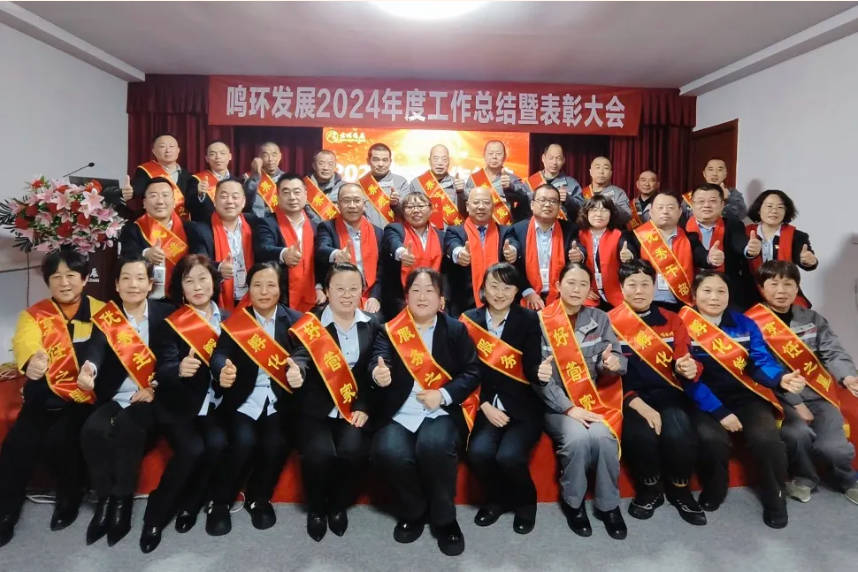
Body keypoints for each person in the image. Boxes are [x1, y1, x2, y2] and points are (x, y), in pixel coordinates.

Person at [681, 270, 806, 528]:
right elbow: (687, 379)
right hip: (704, 399)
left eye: (721, 291)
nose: (714, 297)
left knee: (766, 439)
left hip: (745, 395)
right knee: (712, 439)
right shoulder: (682, 325)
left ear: (729, 295)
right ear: (694, 295)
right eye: (707, 291)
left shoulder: (744, 323)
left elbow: (759, 362)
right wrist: (720, 412)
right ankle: (716, 487)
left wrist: (780, 378)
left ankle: (775, 497)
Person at [370, 268, 481, 556]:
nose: (422, 297)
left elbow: (472, 372)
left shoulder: (455, 330)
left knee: (434, 446)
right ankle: (415, 509)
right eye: (416, 291)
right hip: (400, 411)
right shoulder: (389, 330)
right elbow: (378, 361)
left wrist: (443, 395)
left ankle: (445, 520)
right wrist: (378, 375)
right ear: (406, 297)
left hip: (439, 410)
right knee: (388, 451)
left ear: (441, 299)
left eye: (429, 291)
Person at [0, 249, 104, 547]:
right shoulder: (34, 314)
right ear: (48, 281)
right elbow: (25, 341)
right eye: (56, 277)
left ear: (85, 279)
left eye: (71, 275)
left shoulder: (102, 311)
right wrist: (32, 360)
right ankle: (6, 512)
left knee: (62, 440)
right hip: (44, 394)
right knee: (17, 445)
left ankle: (70, 498)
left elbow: (107, 350)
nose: (64, 282)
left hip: (83, 397)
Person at [77, 255, 175, 546]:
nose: (133, 284)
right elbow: (94, 350)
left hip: (150, 397)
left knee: (128, 429)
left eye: (140, 278)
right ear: (117, 285)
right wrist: (88, 369)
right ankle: (104, 499)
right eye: (126, 279)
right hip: (114, 395)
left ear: (150, 284)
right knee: (92, 431)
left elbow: (171, 360)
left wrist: (154, 387)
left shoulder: (166, 314)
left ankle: (122, 502)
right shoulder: (108, 318)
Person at [206, 261, 307, 536]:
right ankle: (220, 501)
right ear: (248, 289)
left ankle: (258, 498)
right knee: (243, 442)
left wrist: (298, 369)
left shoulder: (296, 320)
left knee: (277, 443)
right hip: (244, 398)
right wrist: (222, 369)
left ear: (280, 288)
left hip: (279, 399)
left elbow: (303, 354)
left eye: (270, 285)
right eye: (257, 285)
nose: (264, 291)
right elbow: (219, 354)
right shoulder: (236, 322)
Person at [138, 254, 228, 552]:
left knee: (217, 445)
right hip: (178, 404)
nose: (197, 287)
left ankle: (191, 503)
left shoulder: (231, 320)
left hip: (215, 404)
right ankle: (156, 515)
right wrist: (178, 370)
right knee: (192, 449)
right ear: (181, 287)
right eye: (189, 281)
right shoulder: (171, 323)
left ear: (214, 282)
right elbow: (162, 367)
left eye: (203, 279)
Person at [748, 261, 858, 504]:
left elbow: (832, 351)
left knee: (834, 446)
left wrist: (848, 376)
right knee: (797, 434)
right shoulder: (752, 322)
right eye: (773, 284)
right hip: (780, 396)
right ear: (761, 288)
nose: (781, 290)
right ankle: (804, 478)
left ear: (797, 288)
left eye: (788, 284)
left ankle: (849, 479)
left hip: (819, 392)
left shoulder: (812, 318)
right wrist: (796, 403)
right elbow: (760, 366)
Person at [534, 262, 627, 539]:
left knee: (604, 438)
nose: (576, 289)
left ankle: (609, 506)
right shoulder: (540, 321)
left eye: (583, 284)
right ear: (558, 285)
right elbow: (538, 377)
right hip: (556, 406)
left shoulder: (600, 318)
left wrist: (612, 364)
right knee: (577, 439)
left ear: (590, 289)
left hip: (592, 400)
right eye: (571, 283)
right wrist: (568, 408)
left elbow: (615, 357)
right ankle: (573, 503)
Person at [609, 260, 706, 525]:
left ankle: (680, 489)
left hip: (669, 393)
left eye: (645, 284)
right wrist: (637, 404)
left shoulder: (671, 319)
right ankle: (650, 488)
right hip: (629, 397)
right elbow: (607, 375)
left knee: (679, 429)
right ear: (622, 288)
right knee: (638, 434)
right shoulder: (610, 322)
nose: (639, 291)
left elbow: (686, 358)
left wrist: (688, 367)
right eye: (632, 285)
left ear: (654, 287)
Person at [291, 263, 382, 541]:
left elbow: (372, 369)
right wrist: (296, 371)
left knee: (353, 453)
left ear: (362, 291)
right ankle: (317, 508)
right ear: (327, 291)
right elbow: (300, 356)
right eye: (339, 288)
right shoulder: (311, 323)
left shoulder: (373, 324)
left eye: (353, 289)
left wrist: (364, 406)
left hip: (353, 407)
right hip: (316, 408)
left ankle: (338, 505)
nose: (346, 295)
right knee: (319, 455)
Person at [462, 263, 543, 534]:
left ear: (517, 291)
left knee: (509, 456)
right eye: (493, 286)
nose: (499, 293)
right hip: (484, 405)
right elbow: (464, 371)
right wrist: (485, 405)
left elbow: (531, 367)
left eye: (507, 287)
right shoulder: (469, 320)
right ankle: (497, 499)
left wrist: (541, 373)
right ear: (483, 289)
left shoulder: (528, 320)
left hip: (522, 407)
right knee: (479, 453)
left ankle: (526, 503)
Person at [627, 192, 711, 312]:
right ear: (651, 212)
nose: (665, 211)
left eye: (670, 207)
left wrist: (711, 258)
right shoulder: (636, 237)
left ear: (679, 212)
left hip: (680, 304)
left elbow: (703, 258)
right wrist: (627, 258)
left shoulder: (690, 238)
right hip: (645, 304)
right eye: (660, 207)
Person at [254, 174, 326, 312]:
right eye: (286, 192)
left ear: (306, 194)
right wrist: (284, 254)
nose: (292, 197)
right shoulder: (267, 223)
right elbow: (262, 249)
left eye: (297, 192)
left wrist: (318, 286)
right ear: (278, 196)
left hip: (313, 298)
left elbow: (318, 262)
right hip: (279, 298)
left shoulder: (315, 226)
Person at [444, 185, 519, 316]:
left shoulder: (505, 231)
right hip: (464, 304)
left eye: (486, 203)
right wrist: (460, 253)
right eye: (476, 202)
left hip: (501, 302)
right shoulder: (454, 231)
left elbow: (513, 244)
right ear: (467, 206)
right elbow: (452, 245)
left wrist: (513, 251)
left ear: (493, 207)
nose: (481, 207)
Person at [314, 183, 384, 314]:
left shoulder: (378, 233)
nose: (352, 205)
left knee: (377, 321)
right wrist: (336, 254)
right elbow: (322, 249)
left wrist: (375, 297)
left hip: (368, 297)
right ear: (338, 205)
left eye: (357, 200)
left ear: (364, 204)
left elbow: (382, 271)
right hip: (336, 296)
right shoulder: (327, 227)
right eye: (346, 201)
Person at [119, 177, 192, 299]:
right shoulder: (132, 228)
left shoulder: (190, 230)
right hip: (145, 300)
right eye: (153, 196)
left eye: (165, 195)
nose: (160, 201)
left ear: (174, 202)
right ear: (144, 203)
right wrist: (146, 254)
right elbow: (126, 256)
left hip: (180, 299)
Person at [188, 178, 254, 311]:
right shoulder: (201, 229)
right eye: (224, 196)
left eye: (235, 197)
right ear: (215, 201)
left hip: (253, 300)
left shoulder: (255, 224)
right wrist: (218, 268)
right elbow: (199, 262)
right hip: (217, 301)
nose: (230, 201)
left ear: (243, 202)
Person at [745, 189, 817, 307]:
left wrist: (809, 261)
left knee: (800, 313)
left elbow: (805, 258)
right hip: (750, 292)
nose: (774, 211)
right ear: (758, 209)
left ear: (786, 211)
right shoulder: (744, 233)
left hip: (783, 290)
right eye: (769, 206)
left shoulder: (797, 236)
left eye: (780, 207)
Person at [510, 184, 577, 311]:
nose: (547, 205)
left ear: (559, 206)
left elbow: (579, 249)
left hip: (562, 295)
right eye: (542, 200)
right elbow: (514, 267)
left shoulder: (569, 229)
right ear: (532, 205)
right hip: (525, 295)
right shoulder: (517, 229)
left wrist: (579, 255)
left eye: (553, 201)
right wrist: (527, 292)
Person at [379, 192, 446, 319]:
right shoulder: (394, 229)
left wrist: (441, 294)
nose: (415, 210)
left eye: (420, 206)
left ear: (431, 209)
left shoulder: (441, 236)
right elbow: (393, 242)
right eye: (410, 207)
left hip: (435, 298)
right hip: (401, 300)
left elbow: (445, 272)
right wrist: (402, 253)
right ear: (403, 211)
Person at [684, 183, 750, 308]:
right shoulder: (682, 229)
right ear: (692, 205)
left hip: (727, 291)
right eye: (701, 201)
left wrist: (749, 249)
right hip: (688, 290)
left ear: (722, 205)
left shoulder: (733, 225)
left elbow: (740, 242)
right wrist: (708, 258)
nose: (706, 205)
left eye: (713, 201)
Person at [572, 195, 630, 310]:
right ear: (586, 213)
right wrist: (583, 288)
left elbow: (629, 256)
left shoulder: (619, 235)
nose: (599, 214)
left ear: (611, 214)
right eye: (594, 210)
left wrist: (628, 257)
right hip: (587, 294)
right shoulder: (578, 235)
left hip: (616, 293)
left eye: (604, 210)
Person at [124, 134, 191, 219]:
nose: (168, 150)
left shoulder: (188, 176)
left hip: (181, 221)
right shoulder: (145, 171)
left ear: (178, 150)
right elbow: (137, 188)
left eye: (171, 146)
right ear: (154, 151)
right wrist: (131, 192)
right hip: (153, 221)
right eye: (162, 146)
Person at [465, 140, 532, 222]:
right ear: (484, 155)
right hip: (479, 226)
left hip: (504, 226)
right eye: (490, 153)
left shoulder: (512, 179)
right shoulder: (473, 178)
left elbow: (525, 198)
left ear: (504, 157)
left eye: (498, 154)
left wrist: (511, 187)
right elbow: (466, 204)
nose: (494, 157)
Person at [406, 144, 466, 229]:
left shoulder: (458, 184)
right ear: (429, 161)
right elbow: (408, 212)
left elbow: (466, 213)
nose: (440, 163)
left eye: (444, 159)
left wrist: (461, 193)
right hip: (424, 233)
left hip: (452, 234)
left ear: (449, 161)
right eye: (436, 158)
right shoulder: (416, 183)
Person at [524, 143, 584, 221]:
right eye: (551, 158)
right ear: (543, 158)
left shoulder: (572, 184)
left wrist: (568, 199)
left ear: (563, 160)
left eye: (558, 158)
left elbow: (583, 209)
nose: (554, 162)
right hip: (535, 226)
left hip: (562, 226)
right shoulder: (530, 182)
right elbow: (522, 209)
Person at [358, 142, 408, 228]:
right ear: (368, 161)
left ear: (390, 161)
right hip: (368, 233)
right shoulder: (359, 185)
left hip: (394, 233)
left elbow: (408, 213)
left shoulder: (401, 182)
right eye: (376, 160)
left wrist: (395, 205)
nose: (380, 164)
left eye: (385, 160)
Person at [185, 141, 233, 222]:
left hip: (231, 224)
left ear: (230, 156)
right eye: (212, 154)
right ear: (207, 159)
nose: (218, 157)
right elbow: (189, 206)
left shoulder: (238, 182)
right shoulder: (196, 180)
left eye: (222, 153)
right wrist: (200, 195)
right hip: (207, 224)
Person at [582, 157, 632, 226]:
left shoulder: (618, 193)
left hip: (611, 231)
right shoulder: (582, 192)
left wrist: (610, 205)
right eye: (597, 167)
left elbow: (627, 217)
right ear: (590, 172)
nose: (601, 172)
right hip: (586, 231)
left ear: (611, 173)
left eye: (606, 168)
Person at [244, 141, 284, 219]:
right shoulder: (248, 178)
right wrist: (254, 177)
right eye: (265, 155)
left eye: (274, 155)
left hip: (280, 221)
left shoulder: (286, 179)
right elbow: (245, 203)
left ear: (280, 156)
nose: (270, 159)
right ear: (259, 158)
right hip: (256, 221)